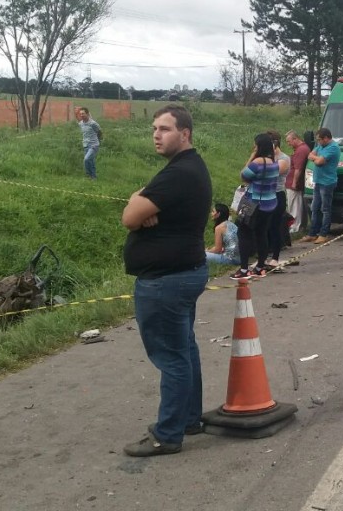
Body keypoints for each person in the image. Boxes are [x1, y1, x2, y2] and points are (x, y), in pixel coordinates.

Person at [120, 104, 211, 457]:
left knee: (171, 357)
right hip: (183, 273)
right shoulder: (186, 168)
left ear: (184, 133)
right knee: (184, 349)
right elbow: (140, 202)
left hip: (166, 280)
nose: (157, 135)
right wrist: (142, 201)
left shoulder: (178, 173)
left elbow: (129, 217)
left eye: (165, 129)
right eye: (154, 129)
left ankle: (168, 433)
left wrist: (138, 204)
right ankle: (188, 419)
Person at [232, 133, 280, 280]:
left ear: (259, 146)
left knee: (243, 233)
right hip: (270, 203)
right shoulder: (274, 163)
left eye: (255, 145)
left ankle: (244, 269)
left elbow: (243, 176)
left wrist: (252, 156)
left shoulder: (257, 162)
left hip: (254, 204)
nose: (254, 147)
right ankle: (260, 267)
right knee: (262, 234)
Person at [300, 127, 339, 244]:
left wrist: (316, 158)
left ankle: (324, 233)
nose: (318, 142)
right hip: (318, 181)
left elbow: (319, 162)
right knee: (314, 208)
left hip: (327, 182)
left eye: (319, 140)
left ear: (326, 138)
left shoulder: (333, 148)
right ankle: (313, 233)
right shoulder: (321, 146)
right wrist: (316, 158)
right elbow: (310, 155)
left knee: (325, 209)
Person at [264, 130, 291, 267]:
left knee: (274, 226)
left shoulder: (283, 158)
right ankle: (263, 256)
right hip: (264, 195)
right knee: (263, 227)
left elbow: (271, 172)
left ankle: (275, 256)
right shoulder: (265, 158)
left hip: (277, 194)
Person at [284, 130, 310, 234]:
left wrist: (294, 182)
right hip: (292, 182)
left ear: (295, 139)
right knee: (296, 204)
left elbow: (298, 169)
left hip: (294, 184)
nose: (288, 144)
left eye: (289, 141)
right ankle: (298, 225)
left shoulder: (301, 150)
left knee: (294, 205)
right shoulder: (301, 149)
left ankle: (294, 226)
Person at [76, 107, 103, 180]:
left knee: (86, 159)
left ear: (87, 114)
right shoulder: (81, 123)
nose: (81, 115)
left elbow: (99, 132)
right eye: (80, 114)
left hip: (94, 145)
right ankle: (93, 177)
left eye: (83, 113)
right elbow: (79, 121)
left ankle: (88, 174)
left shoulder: (93, 123)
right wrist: (76, 113)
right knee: (91, 161)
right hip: (85, 145)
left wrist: (99, 141)